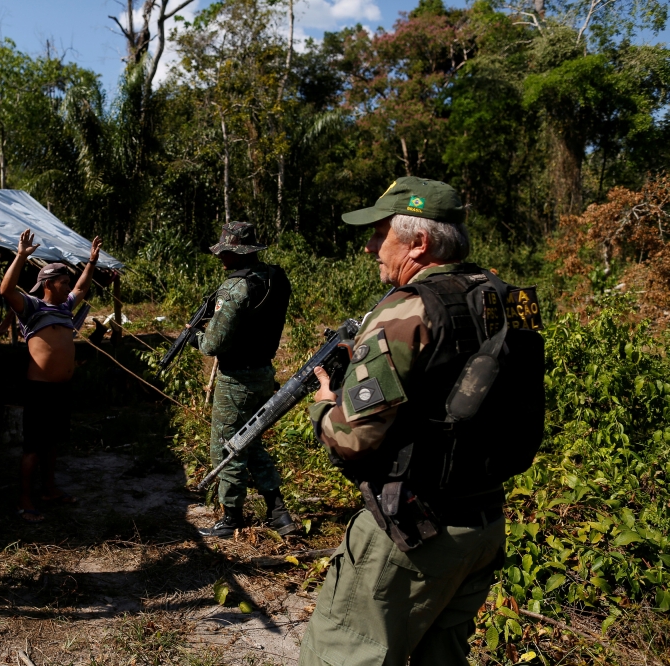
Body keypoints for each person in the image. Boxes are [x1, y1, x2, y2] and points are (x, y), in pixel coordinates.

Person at [298, 177, 545, 666]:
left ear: (419, 242)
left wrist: (325, 404)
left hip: (413, 534)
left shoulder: (407, 308)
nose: (371, 247)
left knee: (341, 655)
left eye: (380, 233)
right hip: (483, 523)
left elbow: (353, 440)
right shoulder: (502, 298)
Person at [195, 221, 299, 538]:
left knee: (227, 448)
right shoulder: (275, 278)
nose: (221, 258)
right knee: (251, 444)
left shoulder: (234, 289)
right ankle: (279, 512)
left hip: (236, 378)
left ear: (240, 253)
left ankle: (231, 517)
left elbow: (213, 344)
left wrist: (196, 337)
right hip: (264, 372)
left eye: (226, 252)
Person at [0, 228, 103, 523]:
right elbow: (6, 290)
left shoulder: (65, 308)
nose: (69, 287)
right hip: (39, 390)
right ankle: (25, 499)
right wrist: (20, 256)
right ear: (47, 284)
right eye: (64, 282)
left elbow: (82, 289)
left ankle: (49, 489)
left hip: (61, 388)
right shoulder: (32, 308)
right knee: (33, 447)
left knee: (52, 443)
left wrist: (91, 263)